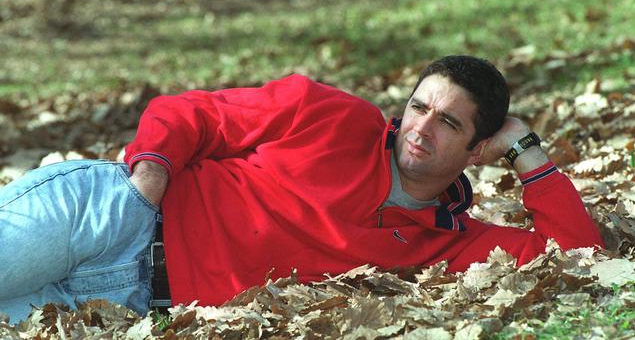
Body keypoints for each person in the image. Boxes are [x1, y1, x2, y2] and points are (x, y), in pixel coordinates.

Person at [0, 55, 604, 324]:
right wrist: (152, 172)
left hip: (118, 309)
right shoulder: (330, 115)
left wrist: (528, 151)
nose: (419, 127)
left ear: (477, 150)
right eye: (419, 107)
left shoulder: (448, 242)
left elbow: (578, 255)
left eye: (448, 122)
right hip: (108, 215)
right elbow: (191, 112)